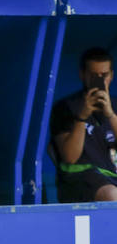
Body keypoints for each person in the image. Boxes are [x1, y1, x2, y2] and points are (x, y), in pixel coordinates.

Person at [49, 46, 117, 202]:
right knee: (112, 195)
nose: (100, 80)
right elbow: (70, 157)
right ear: (82, 75)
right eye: (94, 76)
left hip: (112, 176)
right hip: (79, 181)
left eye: (104, 75)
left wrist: (110, 115)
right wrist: (82, 117)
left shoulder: (115, 105)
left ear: (111, 76)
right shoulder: (65, 107)